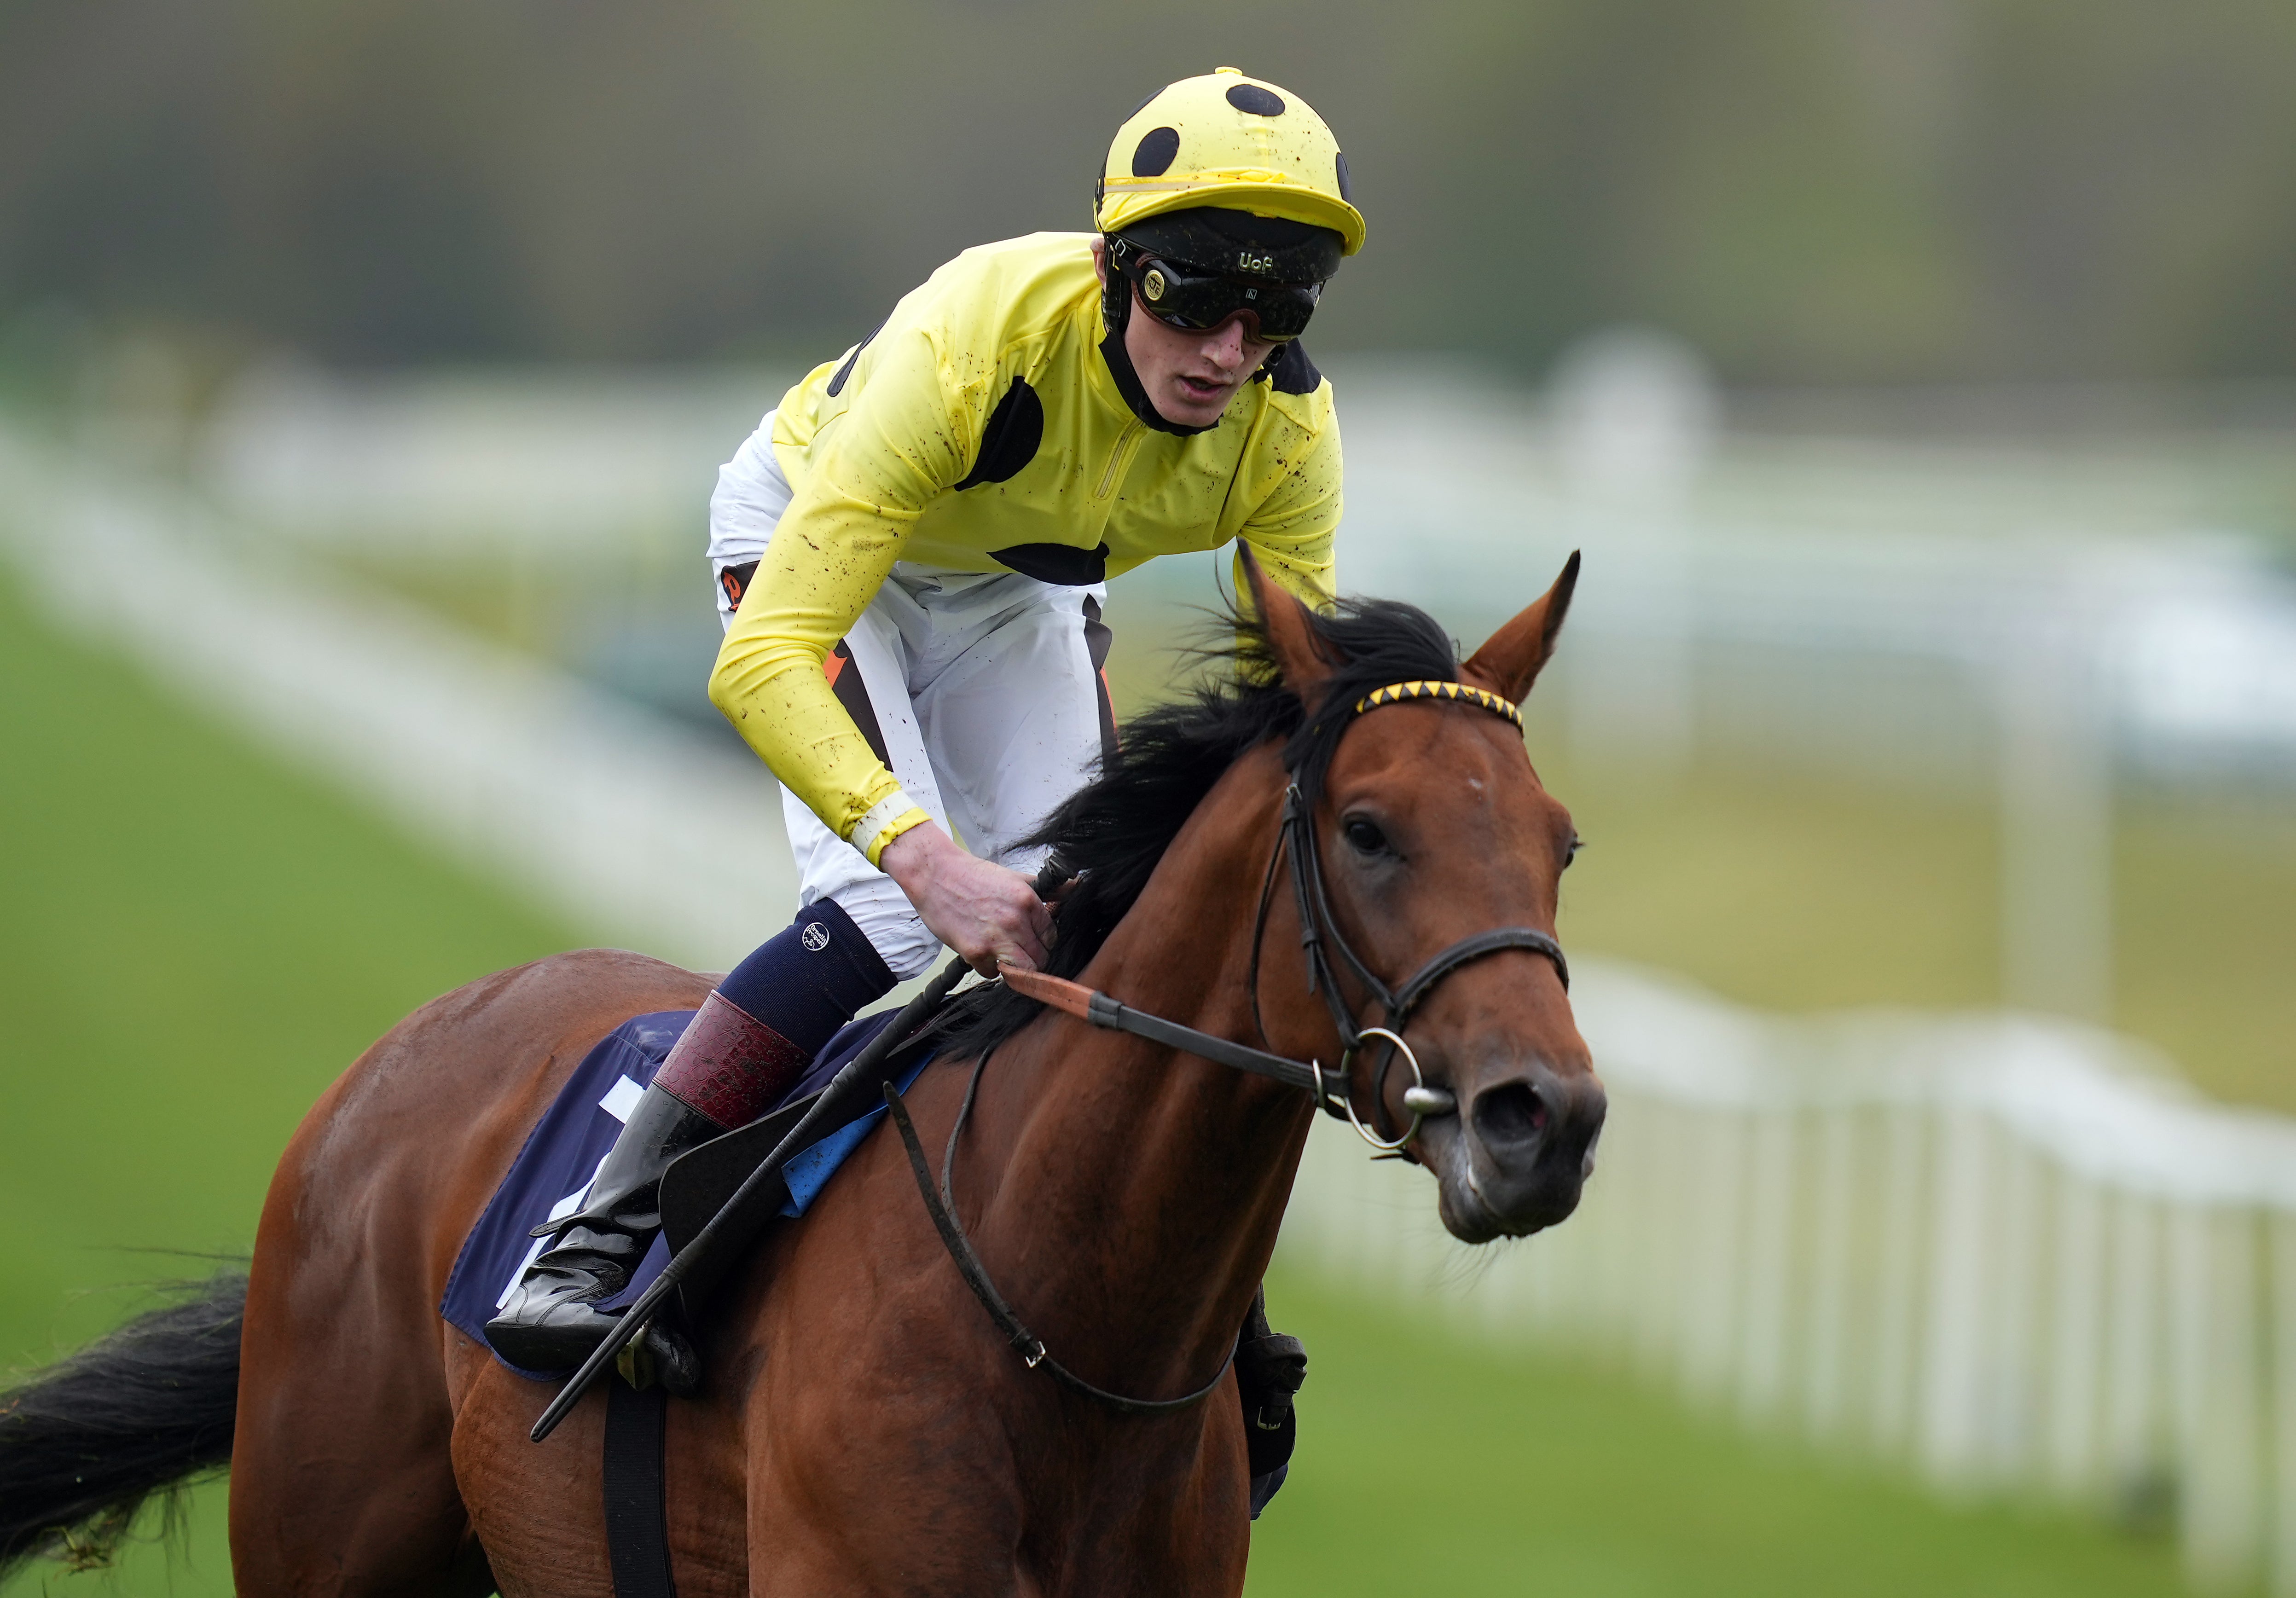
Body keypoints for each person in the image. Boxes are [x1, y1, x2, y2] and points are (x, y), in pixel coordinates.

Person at [487, 67, 1363, 1371]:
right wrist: (922, 850)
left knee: (1097, 916)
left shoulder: (1287, 438)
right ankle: (590, 1242)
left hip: (1014, 596)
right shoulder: (979, 333)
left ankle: (1200, 1313)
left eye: (1271, 310)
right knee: (902, 908)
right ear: (1122, 268)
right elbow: (768, 658)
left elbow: (1294, 714)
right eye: (1192, 298)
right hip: (818, 544)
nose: (1226, 354)